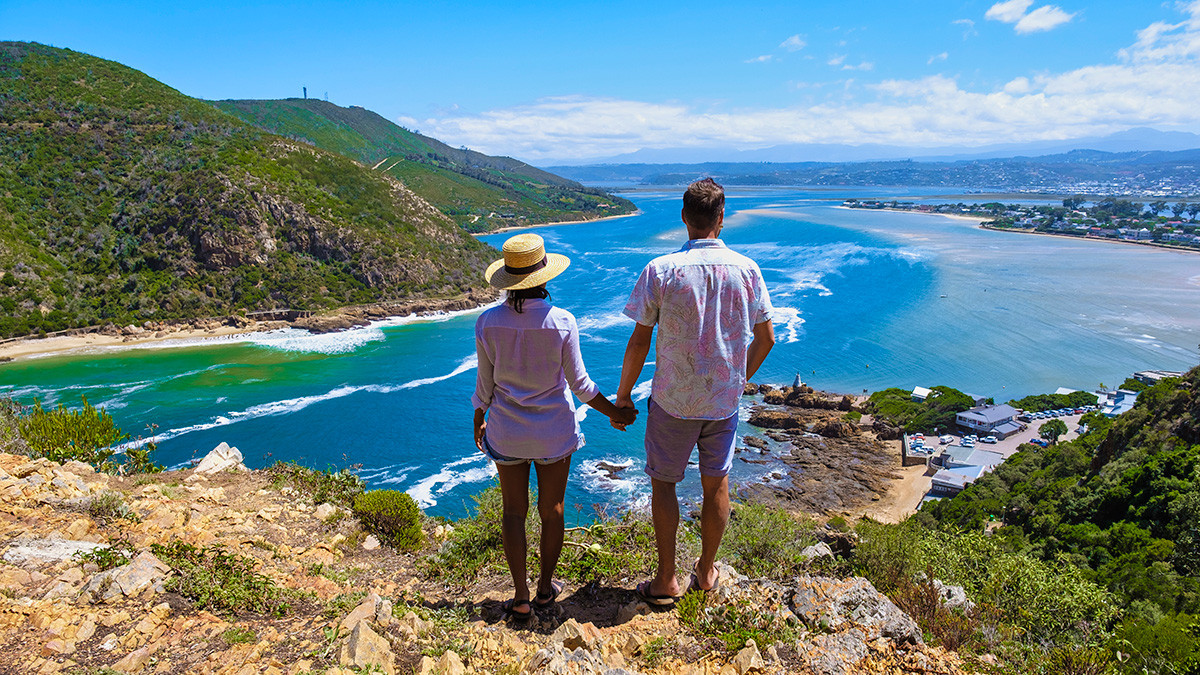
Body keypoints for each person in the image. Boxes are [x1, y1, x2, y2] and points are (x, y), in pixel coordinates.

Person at [615, 178, 775, 603]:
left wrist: (623, 396)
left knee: (664, 484)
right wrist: (739, 379)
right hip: (722, 401)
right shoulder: (748, 270)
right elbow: (766, 339)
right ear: (722, 218)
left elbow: (639, 340)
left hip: (672, 400)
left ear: (684, 217)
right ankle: (705, 572)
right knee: (715, 485)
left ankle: (667, 580)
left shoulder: (660, 270)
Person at [472, 233, 638, 621]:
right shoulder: (562, 321)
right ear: (544, 277)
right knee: (553, 510)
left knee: (513, 512)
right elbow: (581, 386)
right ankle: (546, 589)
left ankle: (520, 595)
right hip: (553, 432)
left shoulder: (487, 323)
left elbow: (485, 385)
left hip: (507, 431)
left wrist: (479, 418)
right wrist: (614, 410)